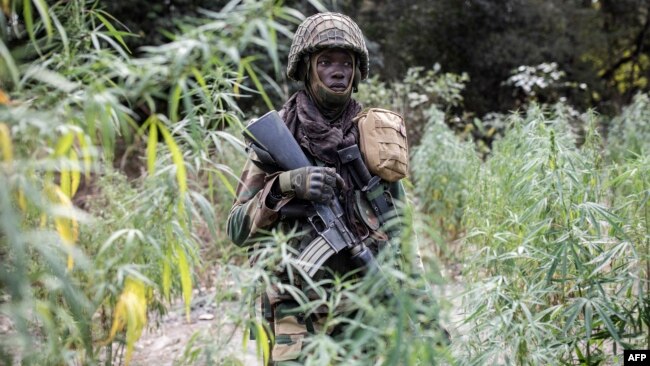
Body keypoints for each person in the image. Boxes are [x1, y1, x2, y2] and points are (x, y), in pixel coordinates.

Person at [227, 12, 423, 364]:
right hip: (292, 306)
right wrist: (283, 185)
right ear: (305, 68)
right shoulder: (276, 140)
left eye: (346, 63)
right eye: (326, 61)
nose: (338, 71)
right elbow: (236, 229)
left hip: (361, 305)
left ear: (358, 72)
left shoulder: (374, 138)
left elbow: (401, 228)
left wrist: (420, 303)